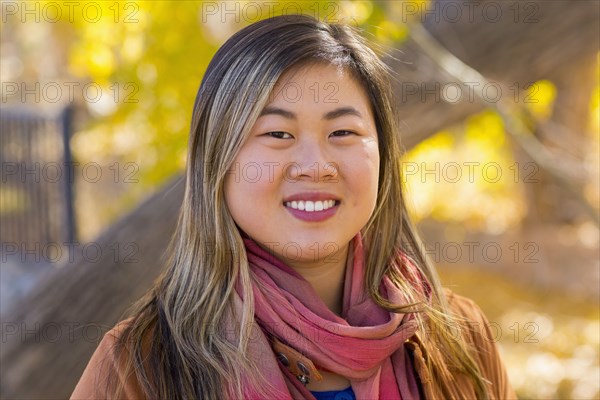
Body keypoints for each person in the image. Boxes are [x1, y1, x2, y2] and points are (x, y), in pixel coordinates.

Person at [71, 14, 516, 400]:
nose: (315, 166)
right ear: (217, 162)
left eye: (342, 133)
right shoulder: (138, 369)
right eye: (277, 135)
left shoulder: (460, 336)